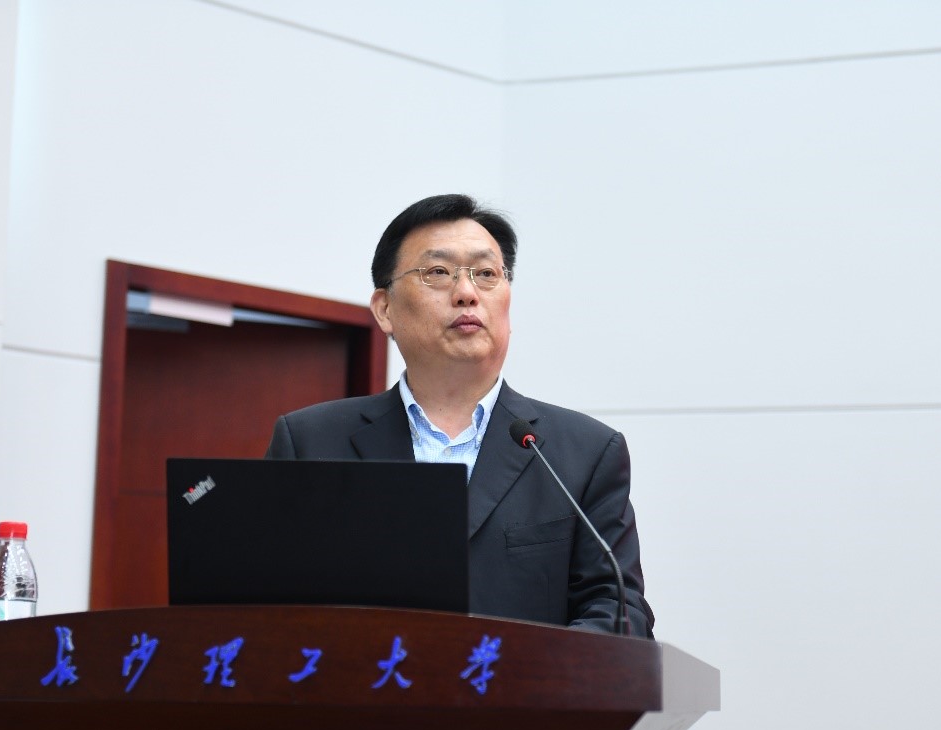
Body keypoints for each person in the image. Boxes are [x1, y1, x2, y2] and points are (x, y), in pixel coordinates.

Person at [265, 194, 654, 637]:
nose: (467, 293)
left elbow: (619, 611)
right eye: (438, 272)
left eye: (486, 274)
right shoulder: (311, 441)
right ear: (385, 309)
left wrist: (522, 671)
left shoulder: (583, 453)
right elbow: (266, 605)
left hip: (521, 683)